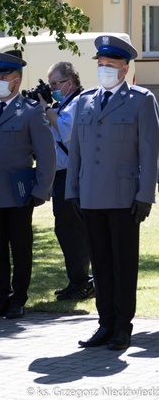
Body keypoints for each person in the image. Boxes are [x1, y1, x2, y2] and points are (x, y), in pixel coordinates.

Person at [66, 35, 159, 351]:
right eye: (100, 64)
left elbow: (149, 152)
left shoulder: (141, 100)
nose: (104, 69)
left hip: (124, 198)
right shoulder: (85, 100)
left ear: (124, 67)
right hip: (90, 196)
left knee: (123, 266)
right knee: (101, 265)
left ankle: (123, 327)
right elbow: (76, 152)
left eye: (110, 64)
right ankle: (104, 324)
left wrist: (145, 195)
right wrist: (72, 191)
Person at [0, 53, 56, 320]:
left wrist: (40, 190)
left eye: (3, 77)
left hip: (19, 193)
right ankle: (0, 298)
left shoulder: (30, 111)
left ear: (16, 81)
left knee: (20, 248)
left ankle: (18, 299)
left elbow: (47, 154)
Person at [37, 62, 93, 301]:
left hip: (73, 175)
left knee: (72, 230)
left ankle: (82, 282)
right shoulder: (63, 104)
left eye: (55, 84)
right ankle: (78, 280)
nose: (52, 89)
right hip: (61, 175)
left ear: (69, 82)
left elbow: (66, 130)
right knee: (67, 230)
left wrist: (46, 108)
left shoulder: (80, 102)